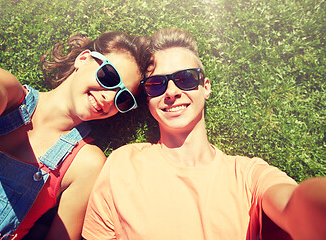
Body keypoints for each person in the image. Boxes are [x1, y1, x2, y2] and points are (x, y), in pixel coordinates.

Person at [82, 28, 326, 240]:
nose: (171, 91)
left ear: (205, 87)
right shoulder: (123, 165)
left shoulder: (248, 176)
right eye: (156, 84)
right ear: (148, 99)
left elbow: (296, 205)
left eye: (185, 79)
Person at [0, 31, 151, 240]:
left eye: (123, 98)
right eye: (109, 76)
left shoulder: (85, 164)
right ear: (83, 59)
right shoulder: (10, 94)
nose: (110, 97)